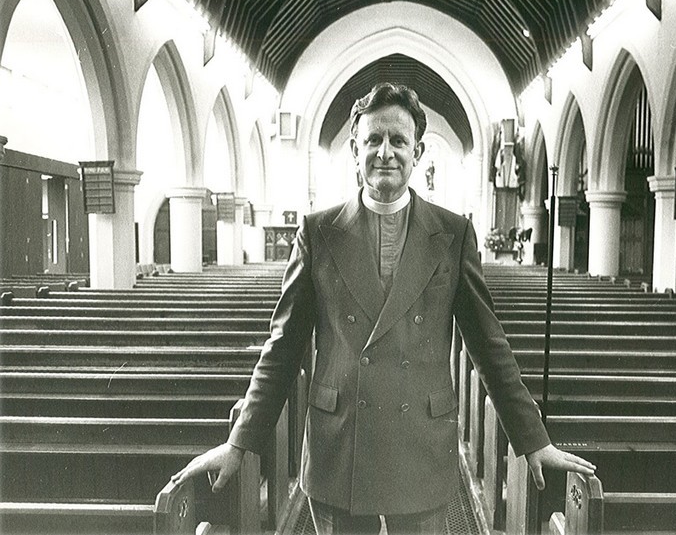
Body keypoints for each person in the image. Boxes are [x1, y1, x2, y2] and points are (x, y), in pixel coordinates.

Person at [171, 83, 595, 534]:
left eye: (397, 140)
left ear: (418, 151)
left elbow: (489, 345)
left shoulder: (453, 233)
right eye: (373, 140)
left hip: (420, 447)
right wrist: (239, 443)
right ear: (356, 149)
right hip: (340, 445)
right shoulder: (318, 232)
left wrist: (533, 440)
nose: (385, 152)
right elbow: (284, 346)